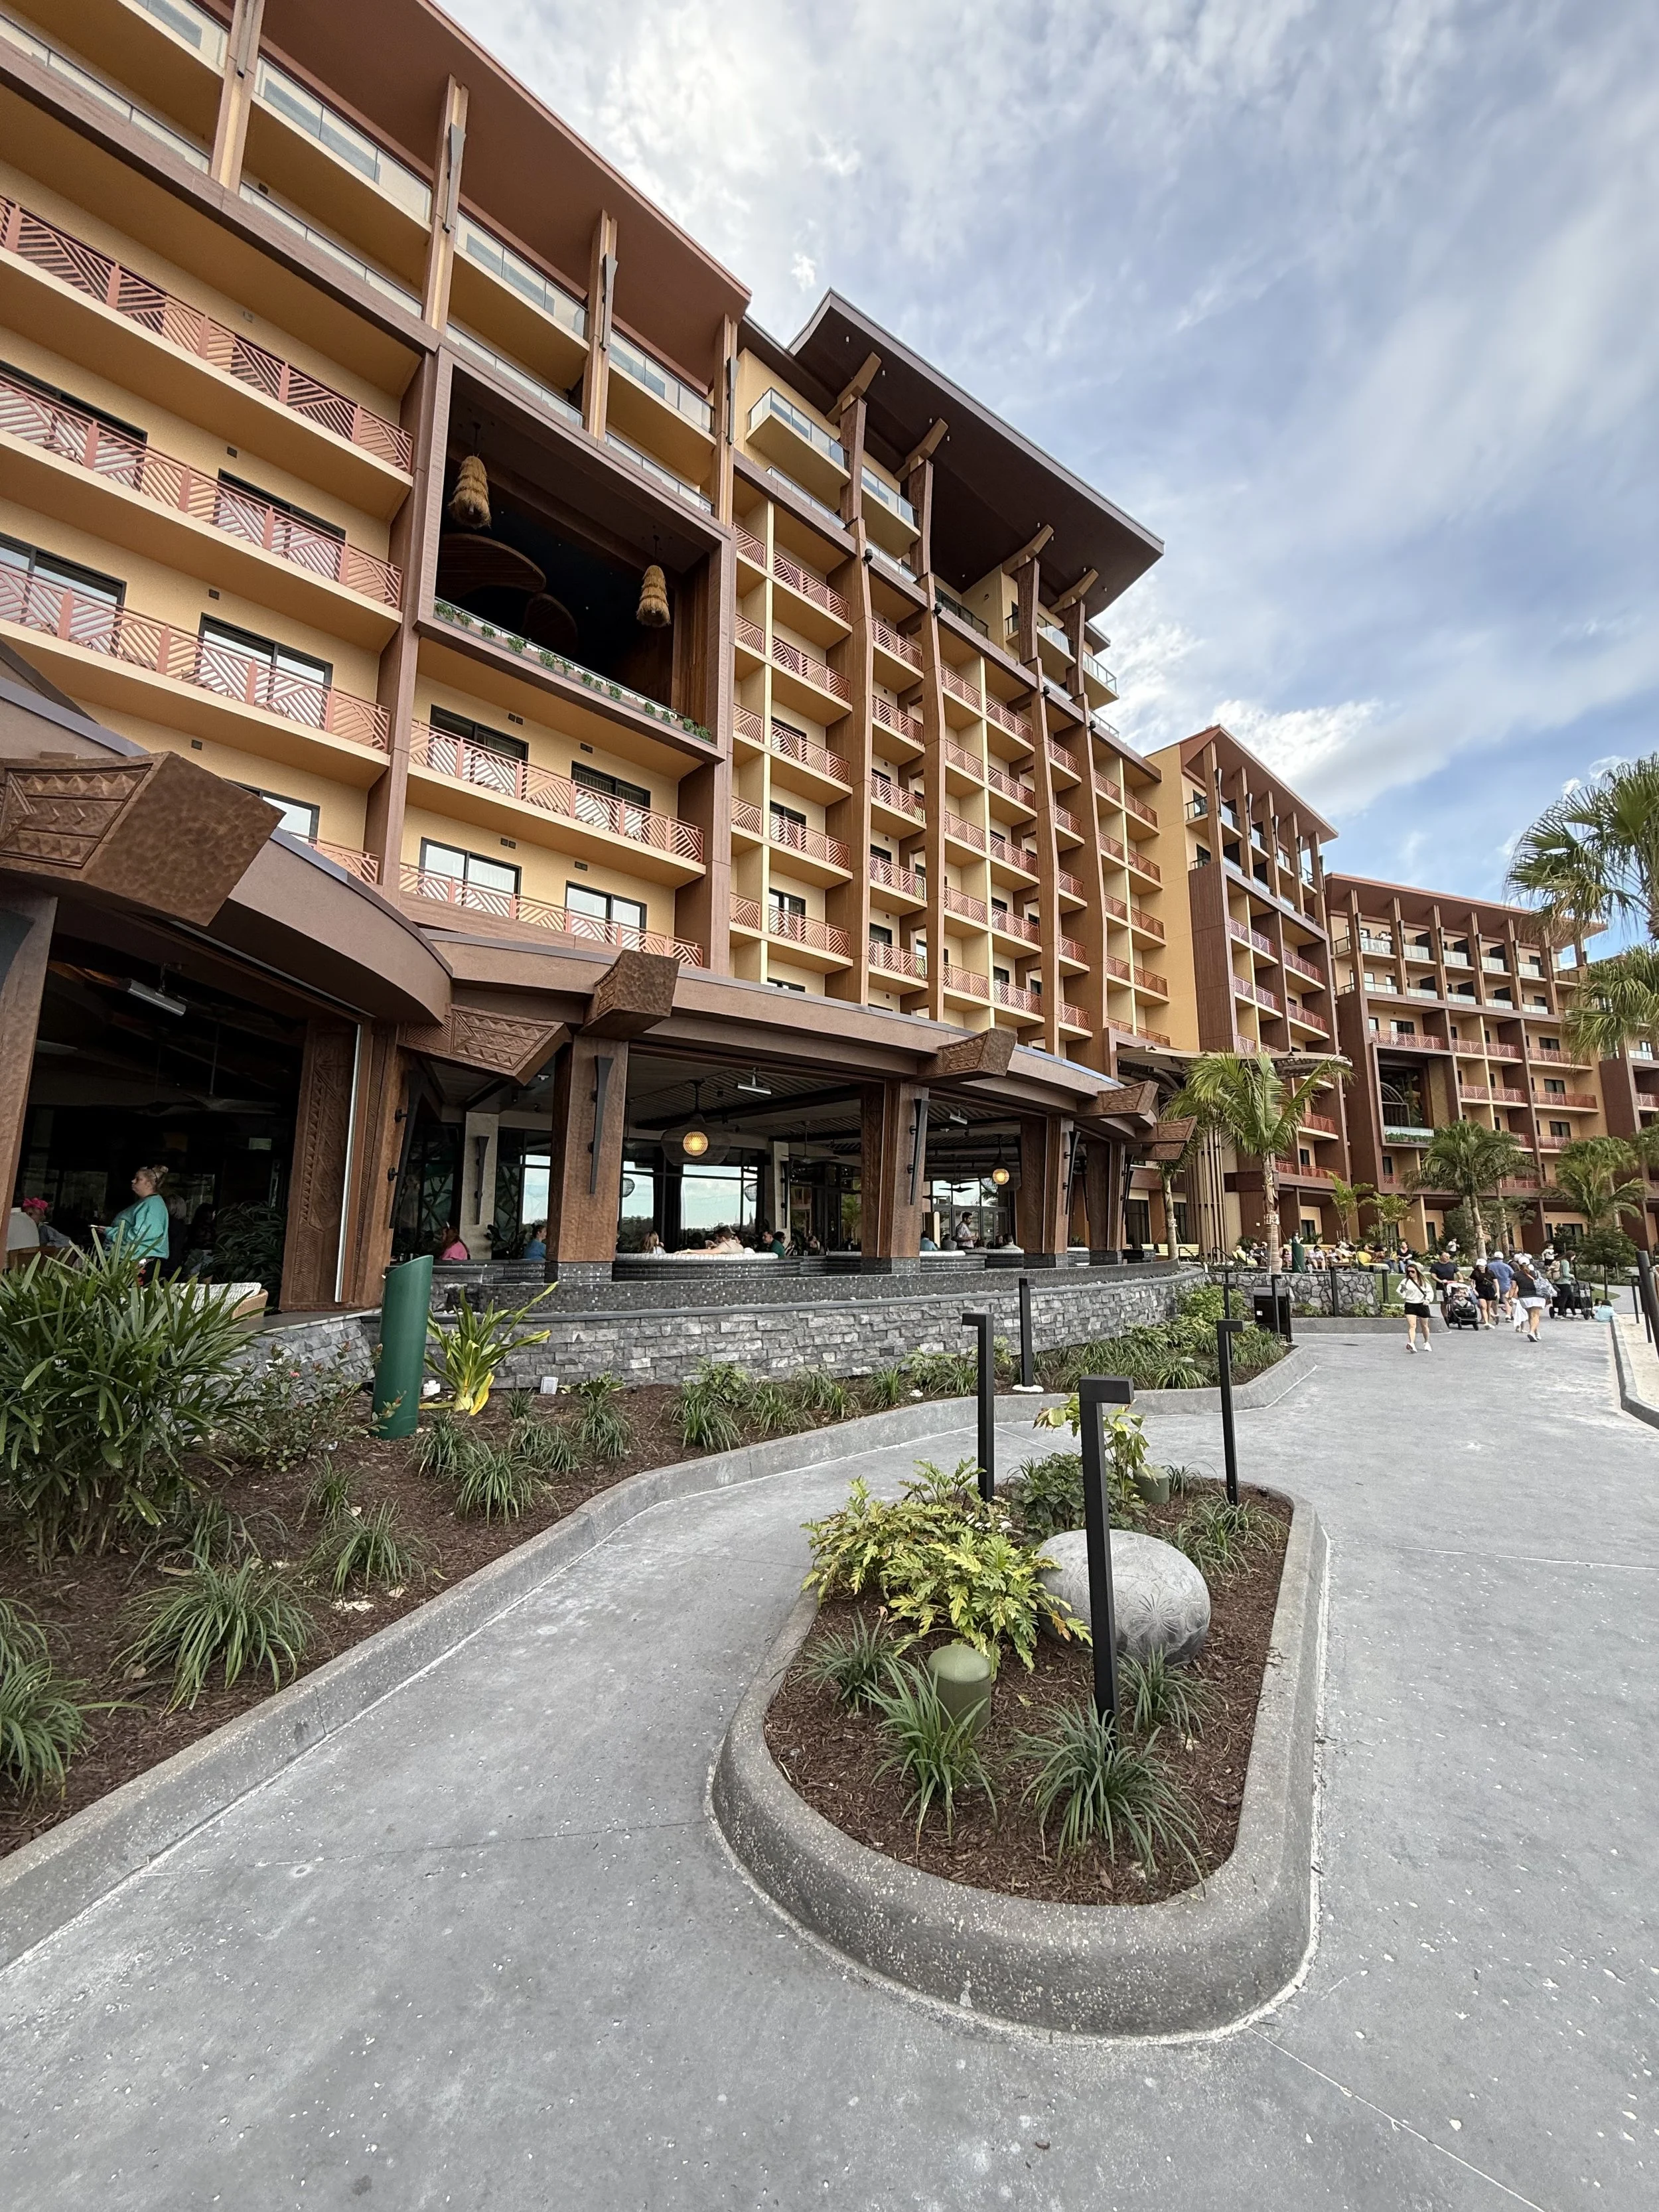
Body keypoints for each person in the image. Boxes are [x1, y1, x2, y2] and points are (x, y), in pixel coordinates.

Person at [98, 1166, 174, 1280]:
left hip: (136, 1261)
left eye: (138, 1179)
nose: (133, 1181)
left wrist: (111, 1232)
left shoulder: (151, 1205)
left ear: (150, 1184)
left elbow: (140, 1235)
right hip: (133, 1260)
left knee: (130, 1295)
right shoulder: (149, 1203)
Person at [1511, 1254, 1548, 1341]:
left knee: (1530, 1315)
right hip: (1537, 1296)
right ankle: (1532, 1332)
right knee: (1535, 1316)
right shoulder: (1536, 1273)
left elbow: (1513, 1287)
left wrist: (1510, 1298)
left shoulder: (1516, 1275)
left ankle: (1536, 1333)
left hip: (1524, 1297)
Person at [1400, 1260, 1433, 1353]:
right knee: (1412, 1325)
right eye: (1409, 1272)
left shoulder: (1423, 1281)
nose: (1411, 1273)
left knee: (1424, 1325)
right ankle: (1411, 1343)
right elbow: (1401, 1294)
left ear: (1417, 1272)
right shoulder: (1405, 1281)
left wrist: (1428, 1300)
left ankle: (1427, 1342)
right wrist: (1403, 1291)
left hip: (1422, 1304)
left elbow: (1430, 1292)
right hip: (1410, 1304)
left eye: (1413, 1272)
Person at [1430, 1249, 1461, 1321]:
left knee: (1453, 1301)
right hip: (1441, 1287)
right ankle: (1445, 1317)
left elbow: (1458, 1273)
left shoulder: (1452, 1265)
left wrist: (1460, 1279)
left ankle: (1453, 1314)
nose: (1447, 1258)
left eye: (1448, 1256)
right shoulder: (1436, 1265)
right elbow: (1433, 1276)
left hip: (1452, 1286)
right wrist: (1440, 1281)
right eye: (1445, 1256)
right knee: (1443, 1303)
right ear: (1440, 1257)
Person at [1471, 1256, 1500, 1328]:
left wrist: (1497, 1292)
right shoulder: (1475, 1273)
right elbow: (1472, 1281)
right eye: (1479, 1266)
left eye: (1482, 1266)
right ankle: (1486, 1322)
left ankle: (1490, 1320)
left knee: (1488, 1308)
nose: (1481, 1267)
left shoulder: (1490, 1272)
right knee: (1483, 1306)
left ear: (1485, 1266)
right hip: (1480, 1291)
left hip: (1489, 1290)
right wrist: (1473, 1289)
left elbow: (1495, 1282)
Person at [1487, 1248, 1514, 1321]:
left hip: (1493, 1286)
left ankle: (1496, 1314)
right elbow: (1513, 1275)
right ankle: (1508, 1315)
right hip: (1505, 1285)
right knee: (1507, 1300)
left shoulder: (1489, 1266)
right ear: (1502, 1258)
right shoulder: (1506, 1266)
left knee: (1494, 1301)